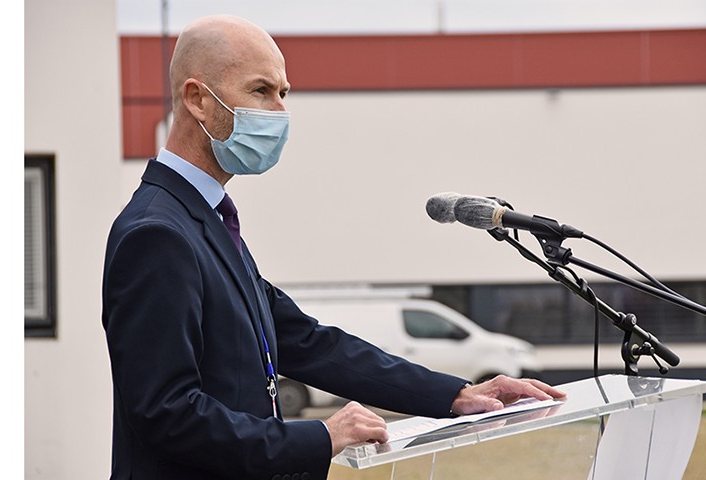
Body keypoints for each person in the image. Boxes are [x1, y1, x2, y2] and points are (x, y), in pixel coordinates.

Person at [101, 14, 566, 480]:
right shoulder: (157, 234)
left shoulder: (207, 221)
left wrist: (457, 395)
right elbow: (165, 412)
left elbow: (309, 344)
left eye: (284, 93)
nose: (279, 112)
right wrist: (319, 437)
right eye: (261, 90)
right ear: (197, 99)